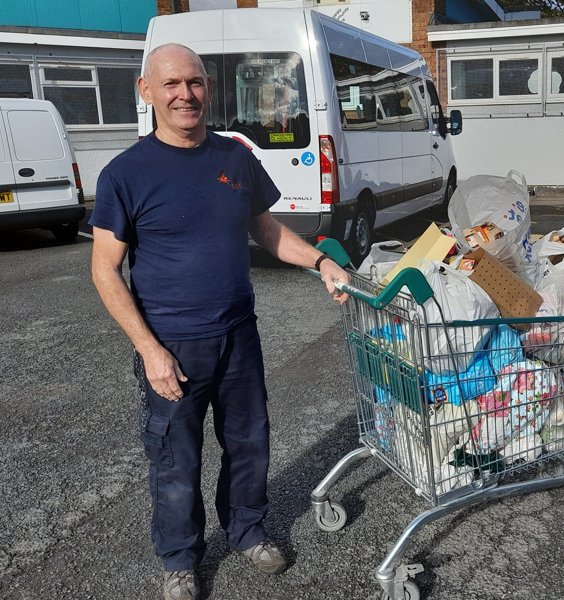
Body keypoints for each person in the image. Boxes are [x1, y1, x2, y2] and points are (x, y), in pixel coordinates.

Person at [89, 43, 350, 600]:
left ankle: (248, 530)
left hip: (238, 334)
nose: (186, 95)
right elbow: (106, 271)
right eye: (171, 85)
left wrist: (322, 262)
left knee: (250, 442)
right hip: (172, 344)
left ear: (208, 87)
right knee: (175, 458)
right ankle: (181, 560)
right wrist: (150, 351)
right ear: (146, 91)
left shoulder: (234, 158)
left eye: (195, 83)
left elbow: (268, 230)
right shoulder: (125, 174)